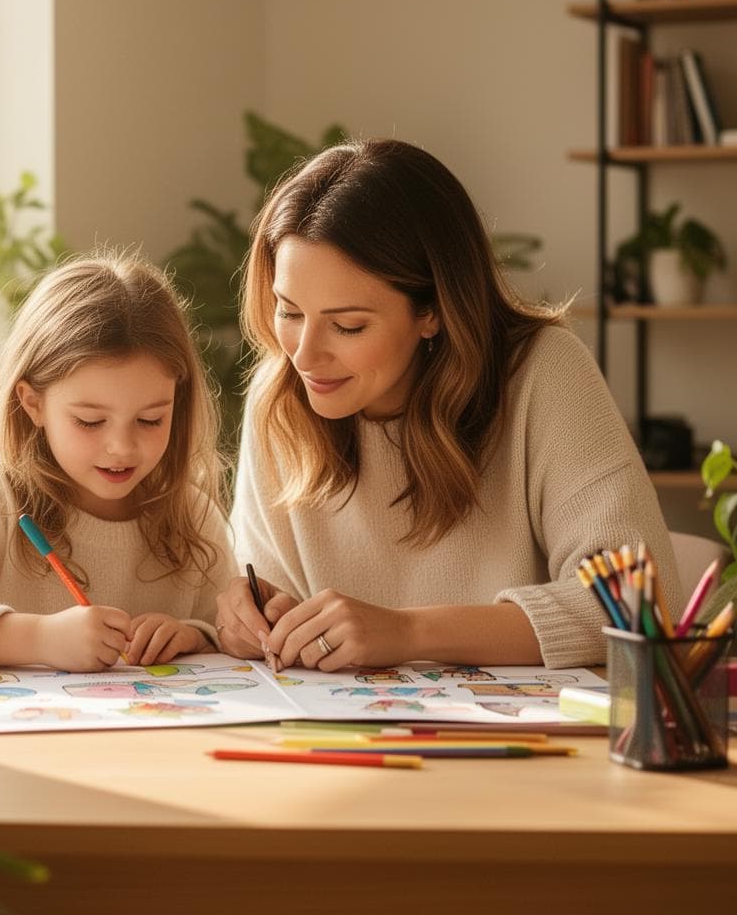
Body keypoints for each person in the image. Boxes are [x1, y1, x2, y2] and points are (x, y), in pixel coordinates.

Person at [217, 139, 678, 671]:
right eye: (289, 311)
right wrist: (247, 616)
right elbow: (266, 599)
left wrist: (409, 632)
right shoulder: (280, 398)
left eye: (348, 325)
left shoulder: (543, 373)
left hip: (527, 745)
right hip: (342, 740)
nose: (304, 354)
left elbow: (638, 601)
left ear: (431, 312)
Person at [0, 251, 237, 673]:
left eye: (151, 419)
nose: (121, 447)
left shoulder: (192, 510)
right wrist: (39, 639)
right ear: (33, 404)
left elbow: (227, 629)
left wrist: (191, 635)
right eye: (90, 421)